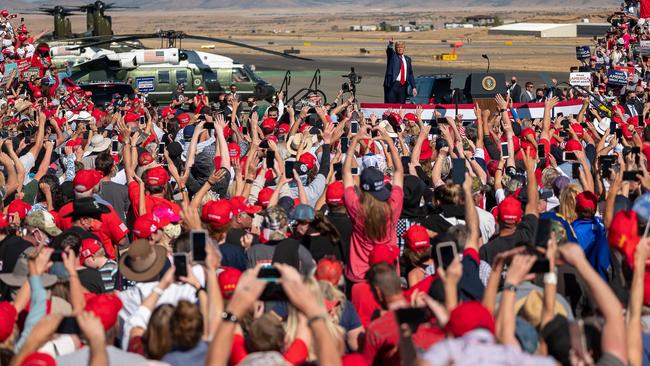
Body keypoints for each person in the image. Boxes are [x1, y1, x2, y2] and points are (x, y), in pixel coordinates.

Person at [383, 38, 416, 104]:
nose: (400, 49)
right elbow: (389, 51)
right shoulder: (392, 56)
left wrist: (413, 87)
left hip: (403, 86)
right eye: (398, 47)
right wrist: (390, 44)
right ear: (395, 48)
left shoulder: (407, 59)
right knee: (391, 105)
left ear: (404, 48)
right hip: (393, 84)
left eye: (401, 47)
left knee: (401, 106)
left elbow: (410, 74)